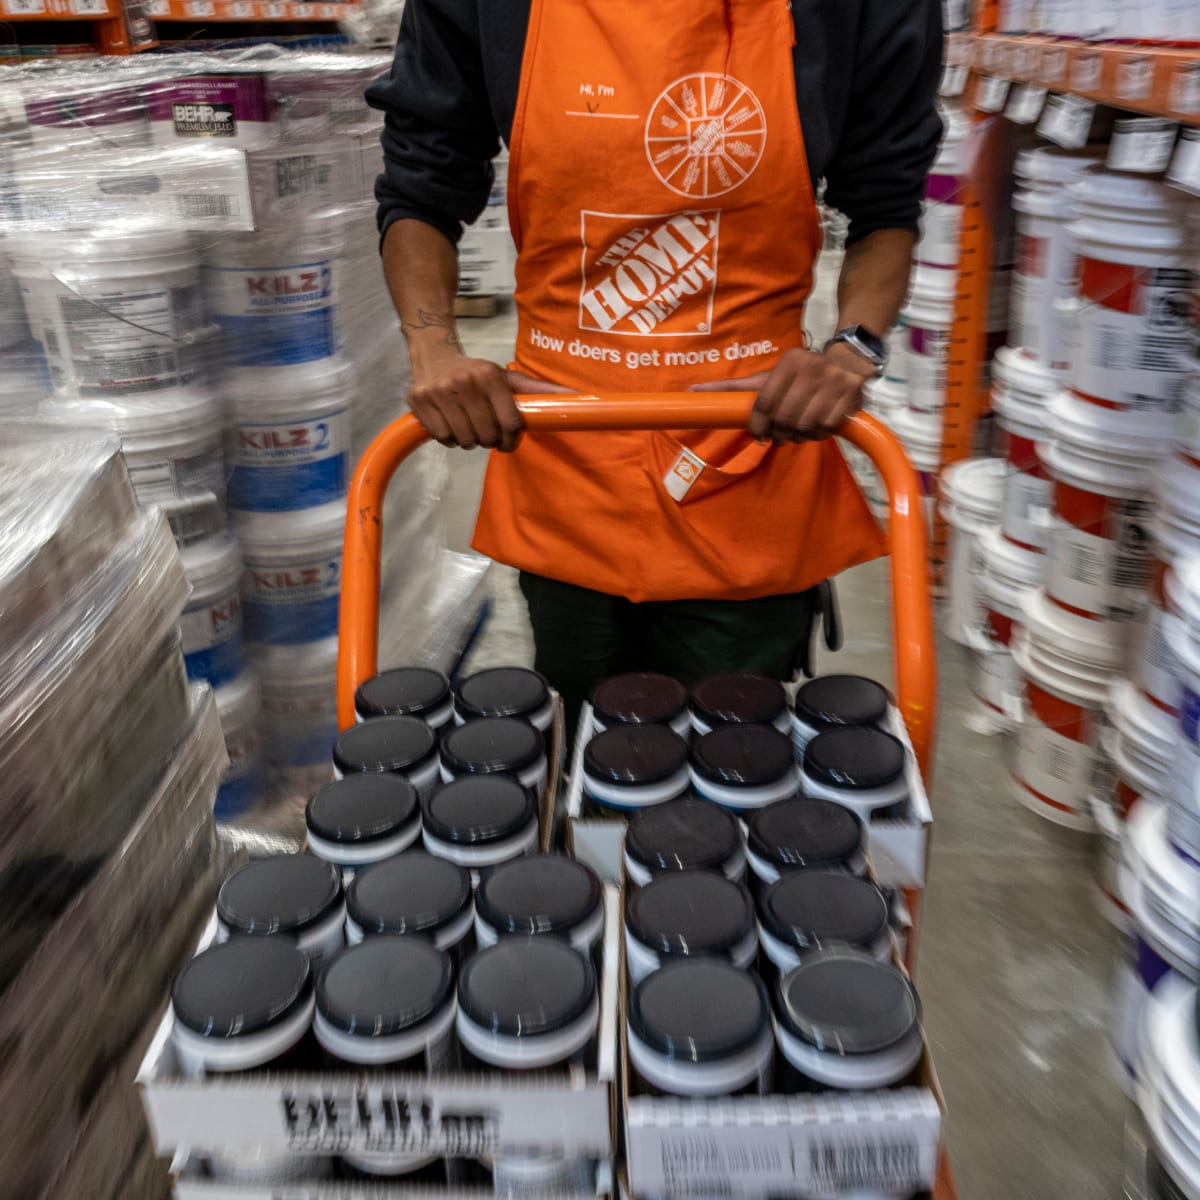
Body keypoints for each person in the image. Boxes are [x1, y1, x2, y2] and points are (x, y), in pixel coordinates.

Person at [367, 0, 943, 727]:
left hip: (750, 454)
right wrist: (433, 347)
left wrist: (852, 349)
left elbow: (886, 204)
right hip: (566, 452)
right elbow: (420, 183)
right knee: (580, 731)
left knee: (739, 745)